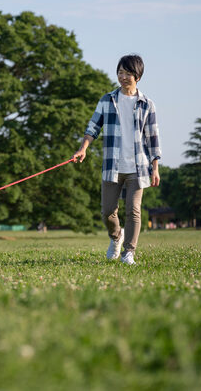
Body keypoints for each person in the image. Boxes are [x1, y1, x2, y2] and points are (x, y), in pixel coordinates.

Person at [73, 54, 161, 265]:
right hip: (112, 165)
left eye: (128, 74)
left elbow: (153, 138)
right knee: (107, 212)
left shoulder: (147, 104)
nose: (123, 77)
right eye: (120, 73)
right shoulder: (107, 100)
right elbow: (92, 127)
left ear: (137, 76)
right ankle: (116, 237)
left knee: (133, 210)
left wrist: (155, 167)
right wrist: (83, 149)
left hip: (138, 167)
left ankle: (129, 252)